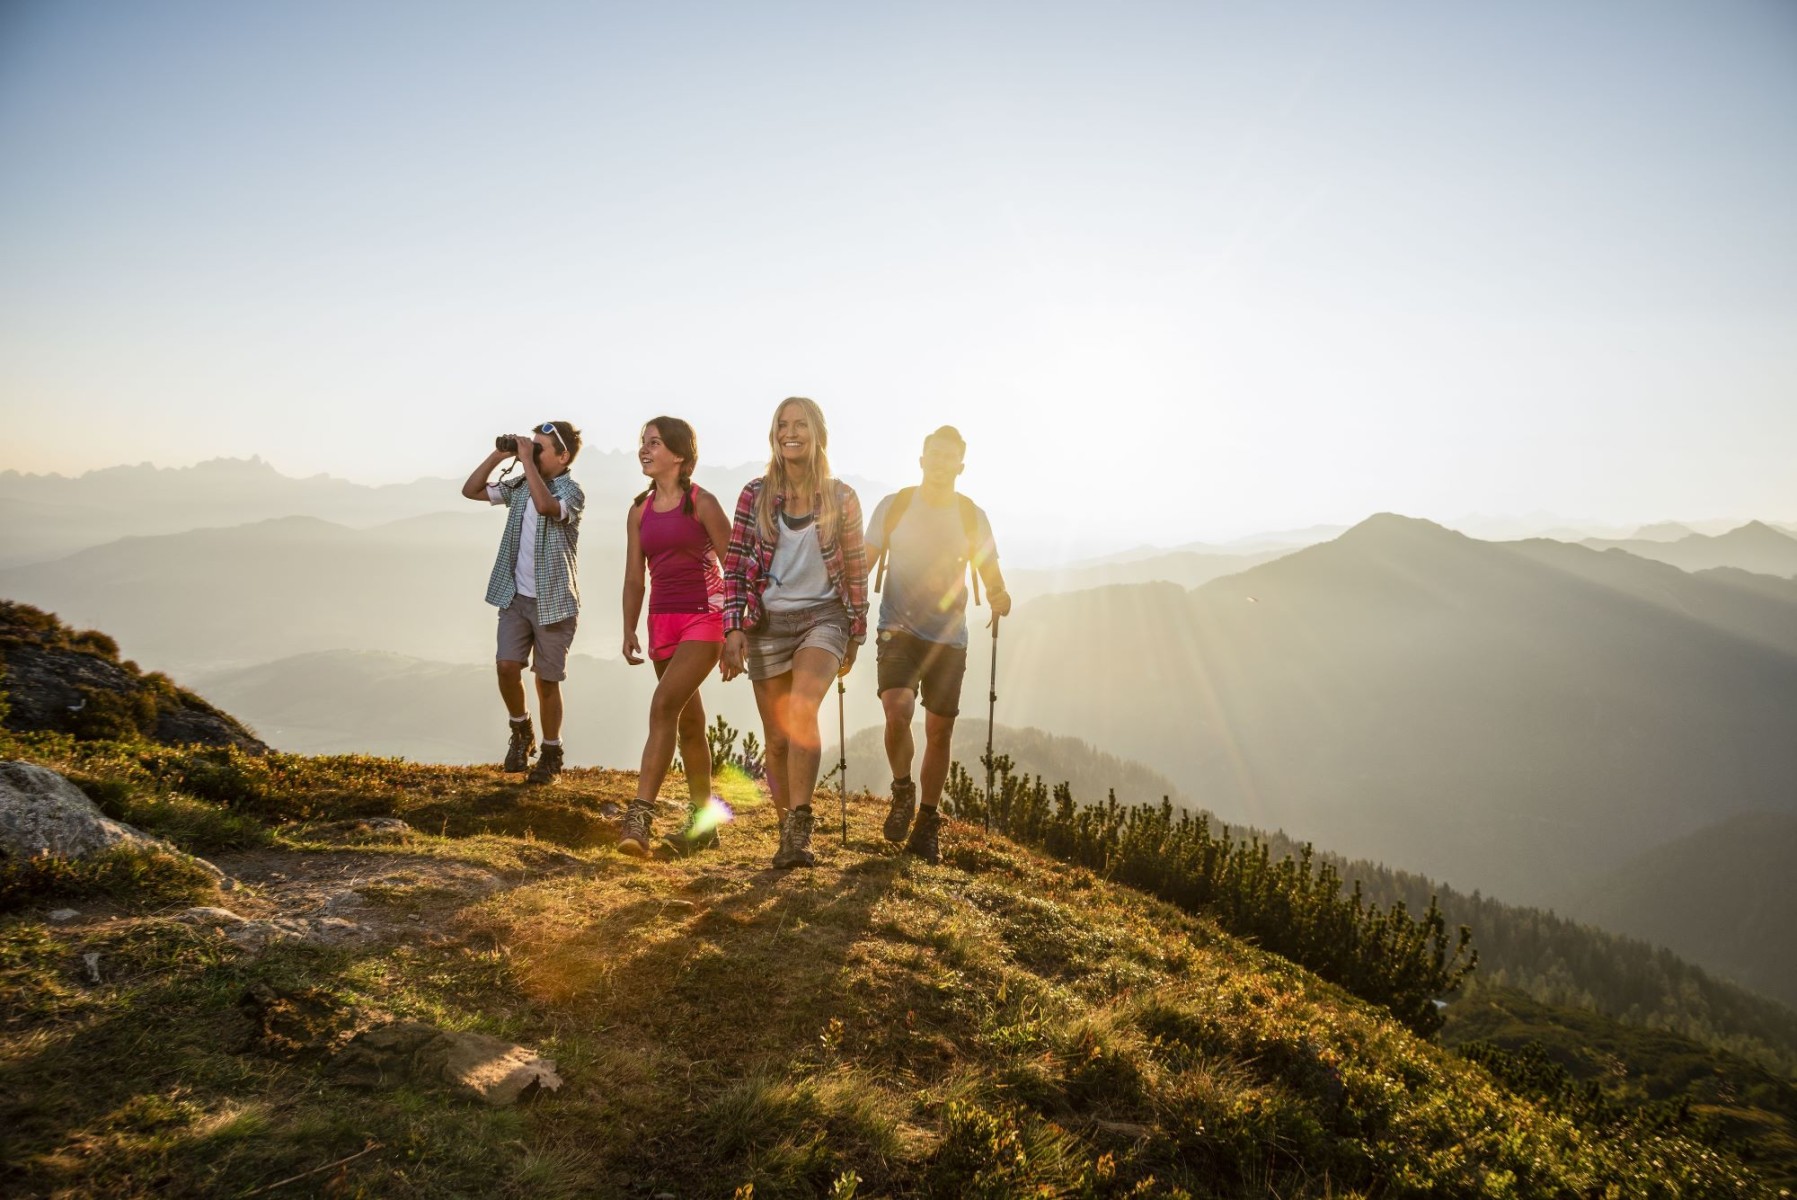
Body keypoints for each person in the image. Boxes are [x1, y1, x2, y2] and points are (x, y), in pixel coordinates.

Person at [719, 397, 868, 870]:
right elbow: (735, 567)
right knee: (777, 739)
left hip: (824, 618)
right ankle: (787, 833)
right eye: (782, 425)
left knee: (802, 710)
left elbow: (857, 568)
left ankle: (801, 827)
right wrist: (733, 628)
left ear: (818, 434)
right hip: (767, 624)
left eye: (800, 424)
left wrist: (855, 633)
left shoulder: (842, 498)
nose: (790, 433)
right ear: (774, 435)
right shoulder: (755, 495)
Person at [863, 425, 1010, 863]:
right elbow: (862, 563)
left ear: (960, 466)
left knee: (939, 731)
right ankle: (902, 789)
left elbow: (990, 569)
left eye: (950, 456)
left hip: (949, 638)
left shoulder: (971, 516)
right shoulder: (894, 506)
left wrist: (999, 594)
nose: (941, 462)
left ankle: (926, 823)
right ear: (922, 459)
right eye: (935, 454)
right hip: (897, 629)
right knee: (897, 711)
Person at [619, 417, 730, 855]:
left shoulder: (703, 503)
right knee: (689, 723)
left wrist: (736, 629)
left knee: (663, 704)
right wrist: (628, 626)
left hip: (705, 618)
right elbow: (634, 577)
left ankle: (639, 819)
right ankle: (704, 826)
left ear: (679, 455)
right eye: (643, 442)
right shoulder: (639, 511)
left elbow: (735, 568)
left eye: (655, 443)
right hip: (661, 622)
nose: (644, 450)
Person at [460, 421, 586, 785]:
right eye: (532, 445)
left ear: (562, 457)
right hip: (515, 596)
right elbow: (471, 491)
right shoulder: (518, 486)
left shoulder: (572, 492)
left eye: (540, 448)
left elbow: (546, 506)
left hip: (554, 602)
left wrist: (526, 461)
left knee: (547, 681)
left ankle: (551, 753)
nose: (532, 452)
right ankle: (521, 730)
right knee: (506, 666)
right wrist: (500, 455)